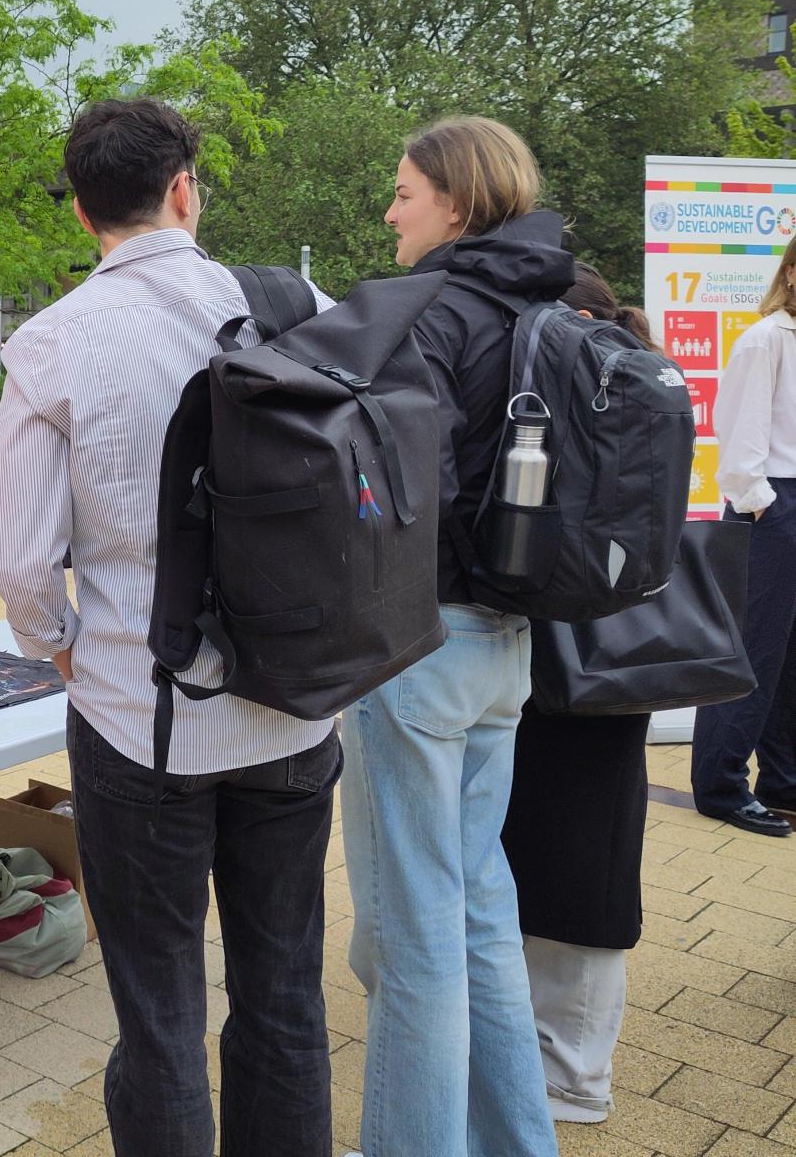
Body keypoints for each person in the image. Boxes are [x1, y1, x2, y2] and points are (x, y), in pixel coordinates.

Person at [0, 97, 342, 1157]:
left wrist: (52, 637)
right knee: (283, 987)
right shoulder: (301, 303)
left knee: (161, 1012)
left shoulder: (52, 342)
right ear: (185, 189)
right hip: (294, 706)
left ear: (86, 214)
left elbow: (18, 554)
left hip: (140, 714)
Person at [339, 116, 564, 1157]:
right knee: (478, 909)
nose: (389, 210)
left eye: (403, 192)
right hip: (508, 647)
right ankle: (518, 1142)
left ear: (458, 203)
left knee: (418, 930)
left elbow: (396, 497)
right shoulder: (557, 302)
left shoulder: (429, 313)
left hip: (419, 649)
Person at [500, 263, 659, 1124]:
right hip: (607, 665)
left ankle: (574, 1077)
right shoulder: (631, 400)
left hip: (577, 661)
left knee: (579, 862)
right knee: (575, 851)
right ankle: (557, 1058)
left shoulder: (598, 410)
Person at [691, 234, 796, 837]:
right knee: (752, 654)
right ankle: (719, 786)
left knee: (789, 656)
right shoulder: (765, 340)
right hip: (774, 508)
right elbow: (738, 445)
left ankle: (783, 782)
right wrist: (766, 508)